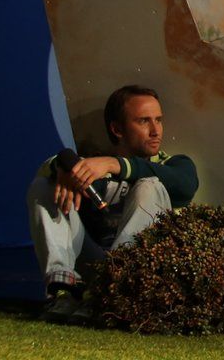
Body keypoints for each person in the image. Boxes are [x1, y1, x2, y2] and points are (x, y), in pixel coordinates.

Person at [26, 84, 199, 323]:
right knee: (44, 185)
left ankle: (113, 290)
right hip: (92, 266)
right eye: (144, 121)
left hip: (140, 275)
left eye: (158, 120)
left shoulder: (173, 165)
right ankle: (63, 290)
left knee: (150, 185)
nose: (155, 131)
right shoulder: (94, 168)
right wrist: (62, 169)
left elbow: (185, 184)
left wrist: (115, 164)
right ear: (117, 129)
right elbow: (51, 168)